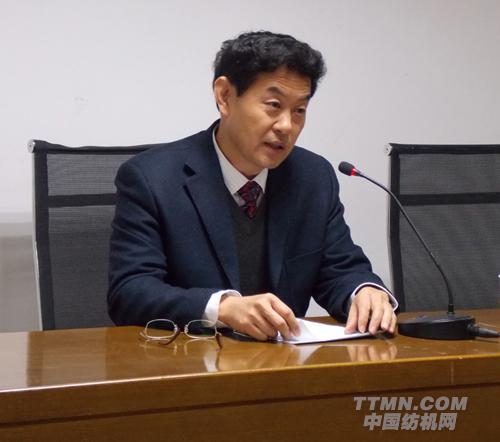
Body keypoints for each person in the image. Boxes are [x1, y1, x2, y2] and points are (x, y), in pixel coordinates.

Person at [108, 31, 397, 341]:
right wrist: (223, 308)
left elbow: (340, 268)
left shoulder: (312, 177)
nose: (286, 126)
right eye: (273, 105)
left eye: (299, 110)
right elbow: (130, 291)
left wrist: (363, 291)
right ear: (224, 96)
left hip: (284, 362)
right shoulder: (152, 178)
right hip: (191, 360)